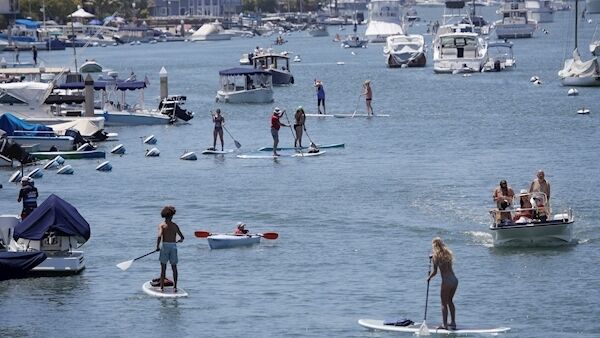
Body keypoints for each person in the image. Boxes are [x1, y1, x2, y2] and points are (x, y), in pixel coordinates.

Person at [427, 237, 458, 330]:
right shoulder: (448, 253)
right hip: (455, 280)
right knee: (450, 301)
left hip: (447, 282)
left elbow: (435, 271)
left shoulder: (436, 257)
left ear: (434, 246)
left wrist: (429, 278)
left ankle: (444, 324)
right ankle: (453, 322)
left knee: (443, 303)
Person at [155, 205, 184, 292]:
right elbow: (182, 237)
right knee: (174, 267)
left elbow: (159, 236)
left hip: (165, 247)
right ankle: (175, 287)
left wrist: (157, 247)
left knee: (163, 267)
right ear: (172, 216)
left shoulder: (162, 225)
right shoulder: (175, 225)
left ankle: (161, 287)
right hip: (173, 247)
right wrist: (179, 240)